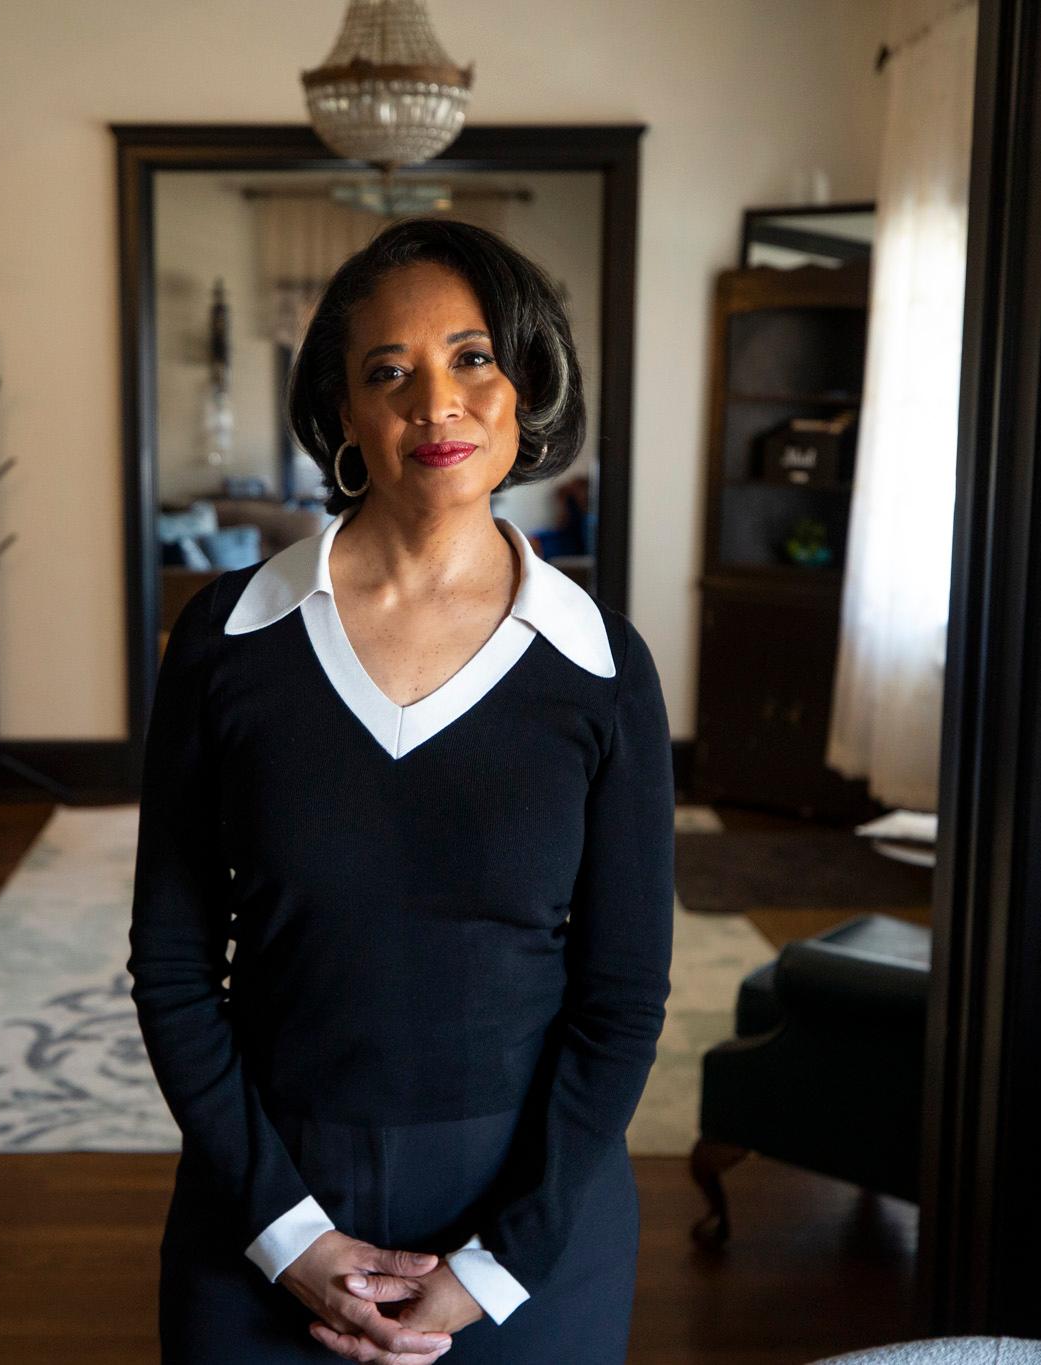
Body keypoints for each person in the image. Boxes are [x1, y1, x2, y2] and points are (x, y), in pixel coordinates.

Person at [126, 216, 675, 1364]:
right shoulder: (223, 643)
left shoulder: (600, 667)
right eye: (390, 371)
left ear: (525, 383)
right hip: (263, 1204)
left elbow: (619, 998)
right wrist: (286, 1238)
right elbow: (176, 968)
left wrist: (494, 1266)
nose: (437, 402)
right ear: (341, 415)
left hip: (531, 1234)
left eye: (472, 357)